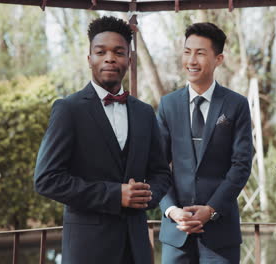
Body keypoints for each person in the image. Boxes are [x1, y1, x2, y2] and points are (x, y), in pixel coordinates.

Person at [34, 16, 171, 264]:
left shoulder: (144, 112)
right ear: (89, 59)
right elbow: (46, 179)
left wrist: (145, 195)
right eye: (101, 52)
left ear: (129, 60)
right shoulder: (68, 109)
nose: (110, 58)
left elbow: (161, 173)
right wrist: (114, 194)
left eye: (119, 52)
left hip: (136, 248)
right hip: (88, 250)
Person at [157, 22, 253, 264]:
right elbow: (156, 165)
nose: (191, 60)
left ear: (218, 58)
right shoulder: (168, 105)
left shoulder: (236, 105)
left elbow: (241, 165)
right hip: (176, 233)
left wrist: (210, 211)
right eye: (187, 52)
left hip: (220, 234)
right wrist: (171, 210)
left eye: (200, 53)